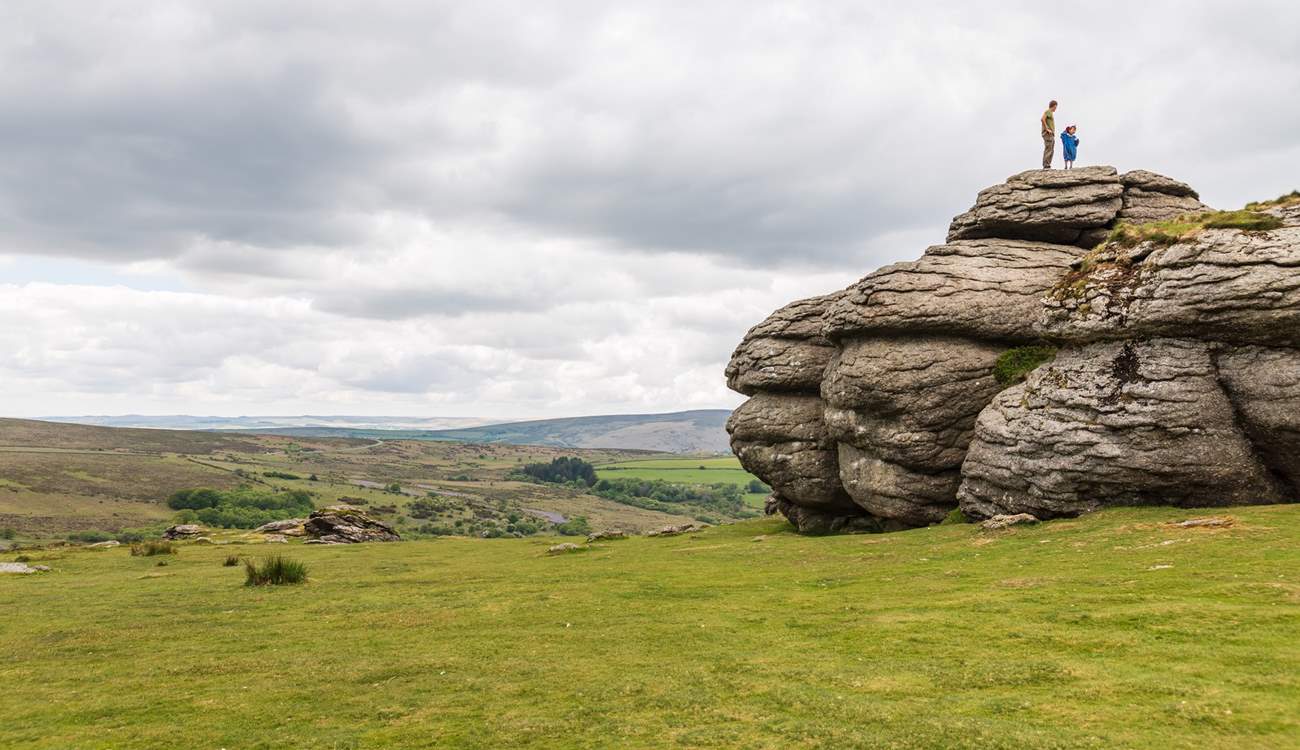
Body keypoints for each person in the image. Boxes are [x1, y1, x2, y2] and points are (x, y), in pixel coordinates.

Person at [1041, 100, 1058, 168]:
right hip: (1048, 133)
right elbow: (1042, 119)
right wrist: (1047, 129)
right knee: (1048, 148)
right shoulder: (1048, 111)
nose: (1056, 108)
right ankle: (1046, 165)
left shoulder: (1050, 113)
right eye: (1055, 107)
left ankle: (1048, 164)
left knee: (1051, 148)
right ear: (1053, 106)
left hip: (1051, 134)